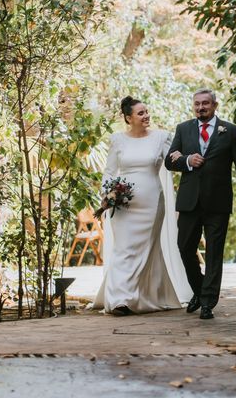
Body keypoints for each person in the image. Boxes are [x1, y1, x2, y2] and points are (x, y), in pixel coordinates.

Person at [94, 96, 192, 315]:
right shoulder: (118, 140)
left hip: (151, 202)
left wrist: (185, 158)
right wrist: (107, 193)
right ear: (129, 118)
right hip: (123, 204)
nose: (146, 115)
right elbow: (110, 172)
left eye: (146, 111)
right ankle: (120, 299)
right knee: (124, 249)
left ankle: (142, 295)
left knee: (146, 250)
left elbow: (173, 162)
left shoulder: (161, 137)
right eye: (140, 113)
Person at [165, 88, 236, 319]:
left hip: (218, 201)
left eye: (205, 103)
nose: (201, 107)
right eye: (197, 104)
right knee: (185, 248)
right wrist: (187, 160)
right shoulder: (183, 129)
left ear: (214, 105)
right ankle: (200, 290)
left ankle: (207, 303)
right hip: (189, 201)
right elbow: (169, 161)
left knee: (214, 253)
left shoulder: (231, 131)